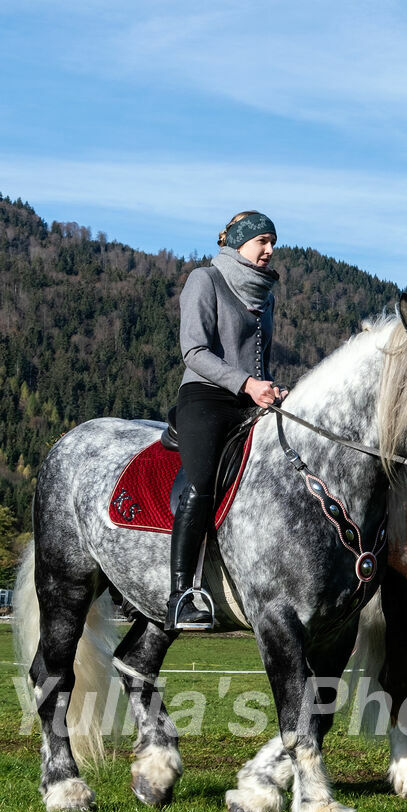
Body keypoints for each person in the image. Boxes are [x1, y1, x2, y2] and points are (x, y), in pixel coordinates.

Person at [166, 210, 289, 631]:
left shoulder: (266, 294)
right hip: (205, 397)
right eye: (263, 242)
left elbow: (261, 360)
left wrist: (270, 389)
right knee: (200, 486)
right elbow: (194, 352)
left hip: (251, 400)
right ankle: (181, 594)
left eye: (273, 242)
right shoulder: (205, 280)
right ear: (239, 243)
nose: (270, 250)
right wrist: (249, 384)